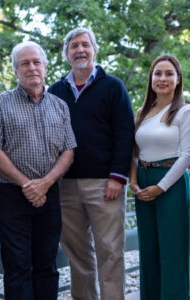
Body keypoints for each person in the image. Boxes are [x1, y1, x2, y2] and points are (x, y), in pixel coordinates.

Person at [0, 41, 76, 300]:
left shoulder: (59, 105)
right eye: (25, 63)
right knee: (17, 267)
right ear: (15, 71)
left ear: (45, 67)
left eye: (36, 62)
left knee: (47, 265)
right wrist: (27, 184)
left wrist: (45, 183)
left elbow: (69, 151)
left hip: (50, 194)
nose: (31, 67)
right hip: (11, 195)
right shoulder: (0, 103)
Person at [48, 27, 135, 300]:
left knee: (110, 251)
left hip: (104, 183)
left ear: (94, 50)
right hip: (66, 186)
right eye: (73, 45)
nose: (80, 50)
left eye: (85, 44)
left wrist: (117, 177)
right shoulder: (55, 91)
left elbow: (125, 133)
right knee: (78, 254)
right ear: (66, 54)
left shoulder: (113, 87)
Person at [129, 54, 190, 300]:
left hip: (171, 184)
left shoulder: (185, 112)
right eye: (157, 73)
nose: (162, 78)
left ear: (177, 80)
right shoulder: (142, 112)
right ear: (151, 79)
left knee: (173, 252)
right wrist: (133, 181)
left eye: (168, 74)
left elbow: (187, 156)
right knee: (149, 250)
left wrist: (160, 187)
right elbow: (134, 152)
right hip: (143, 183)